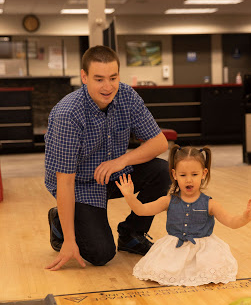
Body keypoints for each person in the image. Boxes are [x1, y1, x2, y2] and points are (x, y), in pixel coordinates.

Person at [44, 45, 170, 271]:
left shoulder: (127, 96)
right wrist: (70, 243)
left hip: (113, 172)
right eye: (99, 79)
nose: (108, 86)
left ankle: (132, 234)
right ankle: (60, 224)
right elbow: (65, 181)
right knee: (101, 254)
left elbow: (159, 142)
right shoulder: (67, 114)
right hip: (79, 184)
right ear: (84, 77)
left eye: (113, 77)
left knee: (162, 171)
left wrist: (121, 161)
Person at [115, 145, 251, 287]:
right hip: (174, 250)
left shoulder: (210, 204)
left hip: (204, 253)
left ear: (204, 174)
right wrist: (129, 196)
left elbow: (232, 222)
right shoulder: (168, 201)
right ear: (174, 175)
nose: (189, 179)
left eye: (194, 174)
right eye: (183, 175)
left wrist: (246, 217)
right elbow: (141, 210)